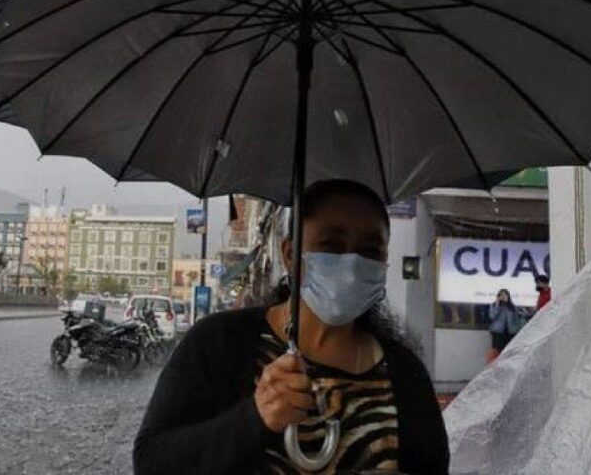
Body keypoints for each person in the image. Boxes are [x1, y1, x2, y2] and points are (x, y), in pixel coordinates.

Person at [134, 180, 448, 474]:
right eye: (332, 245)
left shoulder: (406, 374)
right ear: (290, 255)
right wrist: (254, 418)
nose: (352, 264)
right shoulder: (218, 343)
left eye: (370, 250)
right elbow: (151, 461)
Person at [488, 289, 524, 355]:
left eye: (505, 295)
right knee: (497, 352)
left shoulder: (512, 306)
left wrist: (508, 305)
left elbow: (516, 317)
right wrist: (497, 305)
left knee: (507, 352)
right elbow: (492, 316)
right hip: (498, 332)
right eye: (501, 295)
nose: (503, 296)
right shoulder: (494, 305)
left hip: (509, 332)